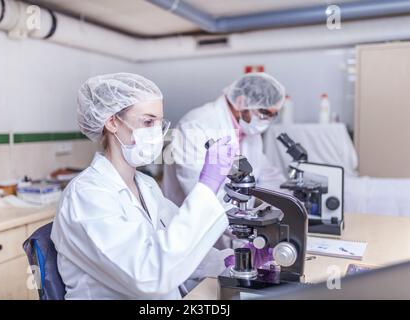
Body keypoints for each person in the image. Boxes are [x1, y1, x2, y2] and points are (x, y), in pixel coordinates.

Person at [51, 73, 235, 299]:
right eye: (148, 122)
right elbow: (148, 273)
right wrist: (207, 186)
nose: (157, 133)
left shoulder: (146, 185)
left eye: (160, 123)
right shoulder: (87, 196)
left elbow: (175, 246)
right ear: (112, 122)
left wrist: (228, 261)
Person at [162, 72, 286, 249]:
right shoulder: (196, 125)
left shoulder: (250, 132)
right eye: (264, 112)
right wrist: (246, 228)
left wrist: (291, 201)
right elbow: (198, 192)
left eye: (273, 115)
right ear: (242, 102)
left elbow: (266, 173)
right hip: (193, 235)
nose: (266, 121)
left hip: (235, 231)